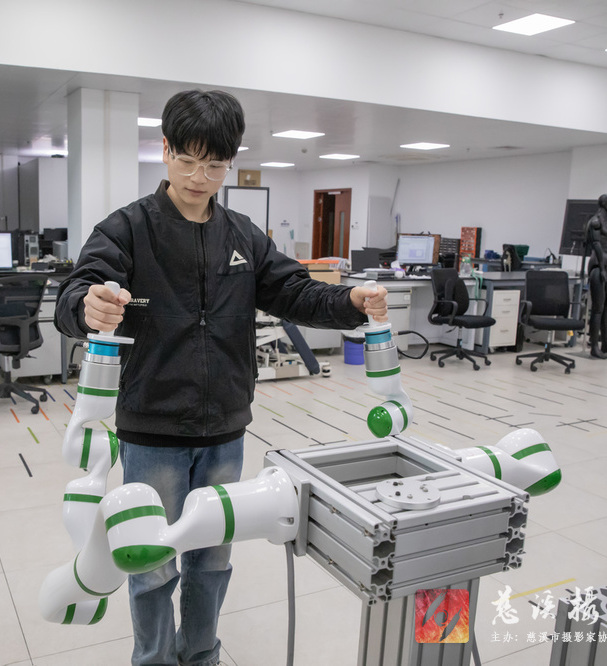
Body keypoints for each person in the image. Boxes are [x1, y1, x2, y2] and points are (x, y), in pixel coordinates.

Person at [54, 89, 387, 666]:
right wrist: (88, 305)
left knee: (211, 560)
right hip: (152, 429)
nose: (198, 177)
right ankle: (154, 659)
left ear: (230, 162)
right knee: (151, 563)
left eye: (214, 165)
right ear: (165, 149)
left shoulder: (241, 234)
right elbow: (77, 291)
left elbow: (293, 291)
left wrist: (350, 301)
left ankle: (201, 653)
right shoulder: (127, 228)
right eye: (187, 160)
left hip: (224, 430)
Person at [584, 194, 607, 359]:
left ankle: (606, 344)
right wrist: (602, 268)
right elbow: (596, 245)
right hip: (599, 268)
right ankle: (594, 346)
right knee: (597, 309)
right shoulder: (596, 221)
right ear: (604, 204)